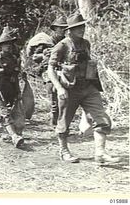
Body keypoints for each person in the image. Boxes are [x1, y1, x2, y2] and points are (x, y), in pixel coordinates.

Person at [47, 13, 121, 164]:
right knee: (64, 123)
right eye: (77, 27)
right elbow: (50, 69)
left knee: (101, 118)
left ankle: (100, 153)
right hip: (69, 90)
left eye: (83, 26)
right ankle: (64, 151)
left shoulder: (86, 44)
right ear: (69, 30)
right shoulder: (61, 46)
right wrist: (59, 88)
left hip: (88, 88)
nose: (82, 29)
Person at [0, 27, 24, 148]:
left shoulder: (13, 59)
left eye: (10, 44)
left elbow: (16, 77)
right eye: (6, 45)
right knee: (5, 113)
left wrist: (18, 92)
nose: (9, 47)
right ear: (0, 46)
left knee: (4, 112)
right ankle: (14, 136)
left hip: (10, 90)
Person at [26, 16, 68, 125]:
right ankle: (55, 122)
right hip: (49, 71)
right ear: (55, 29)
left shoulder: (66, 41)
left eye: (65, 28)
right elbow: (35, 57)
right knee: (54, 98)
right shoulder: (47, 41)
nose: (63, 30)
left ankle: (61, 121)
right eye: (60, 28)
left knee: (64, 98)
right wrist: (45, 55)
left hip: (63, 71)